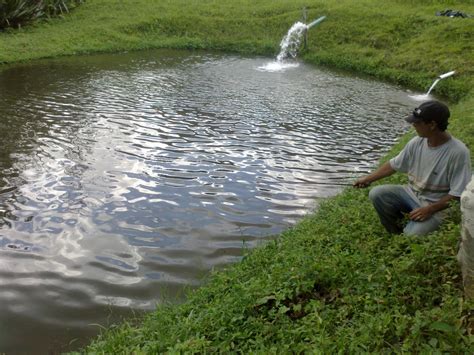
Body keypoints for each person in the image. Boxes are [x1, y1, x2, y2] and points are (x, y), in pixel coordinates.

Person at [353, 100, 471, 236]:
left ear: (432, 124)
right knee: (377, 193)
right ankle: (396, 232)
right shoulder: (417, 142)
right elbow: (393, 165)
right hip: (412, 193)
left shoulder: (458, 152)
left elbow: (458, 194)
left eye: (418, 122)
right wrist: (367, 179)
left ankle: (410, 231)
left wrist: (430, 209)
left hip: (437, 206)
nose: (413, 125)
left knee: (411, 235)